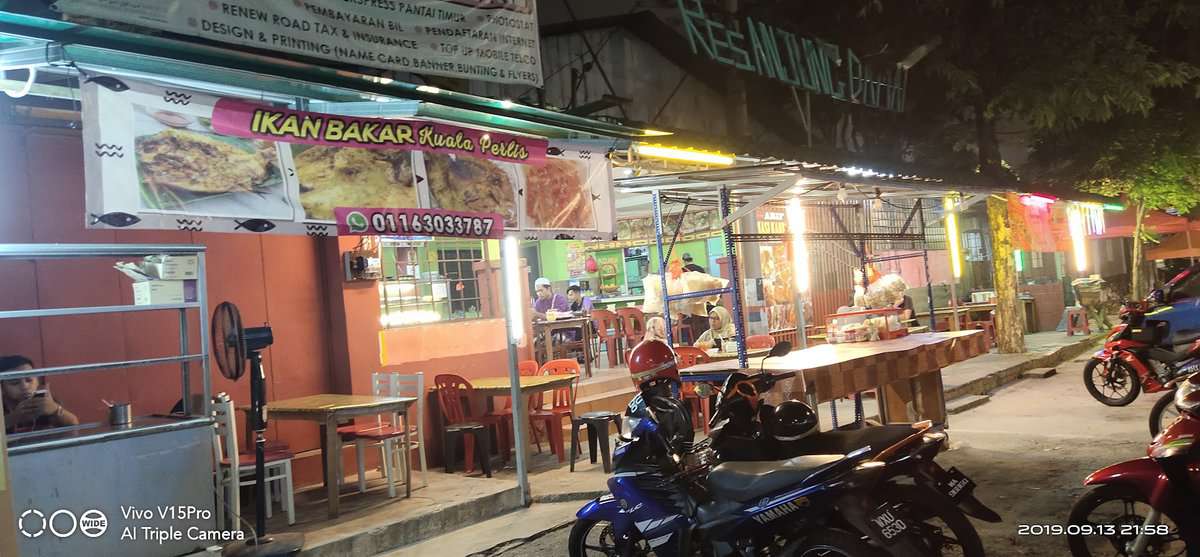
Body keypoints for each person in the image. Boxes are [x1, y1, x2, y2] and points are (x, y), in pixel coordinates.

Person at [1, 355, 78, 433]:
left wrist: (55, 409)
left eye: (29, 380)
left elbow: (73, 429)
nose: (25, 387)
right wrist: (13, 418)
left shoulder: (45, 400)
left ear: (37, 381)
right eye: (15, 383)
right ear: (2, 388)